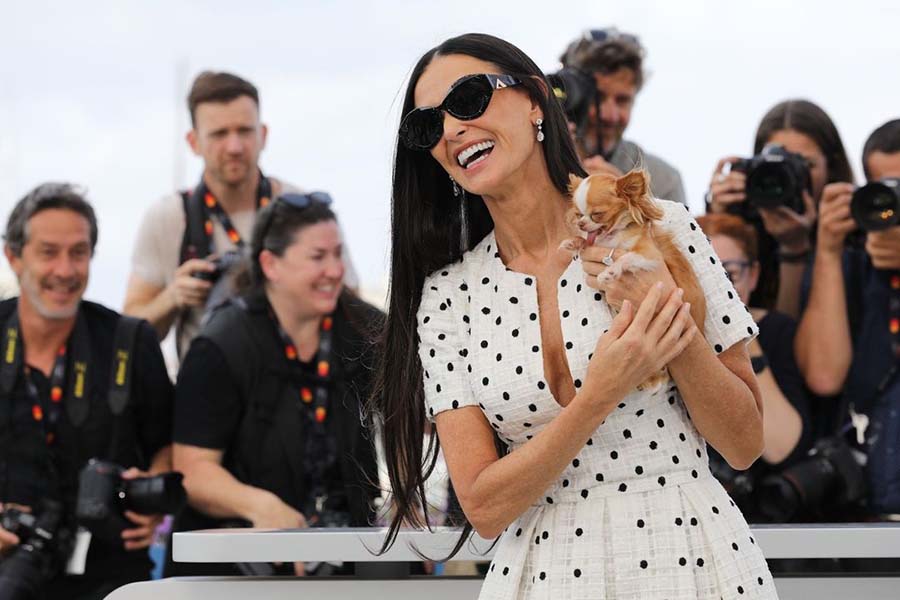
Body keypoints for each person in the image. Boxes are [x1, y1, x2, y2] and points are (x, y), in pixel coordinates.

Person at [373, 33, 774, 598]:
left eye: (467, 99)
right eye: (427, 125)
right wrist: (598, 394)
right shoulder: (447, 297)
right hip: (541, 576)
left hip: (692, 560)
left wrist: (666, 316)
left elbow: (745, 441)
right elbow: (483, 507)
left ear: (536, 99)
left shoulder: (666, 225)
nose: (451, 129)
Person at [167, 193, 381, 577]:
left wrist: (410, 495)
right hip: (240, 569)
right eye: (318, 257)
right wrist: (258, 505)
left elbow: (423, 412)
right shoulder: (220, 344)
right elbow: (193, 472)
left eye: (338, 254)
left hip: (343, 561)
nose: (335, 271)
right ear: (271, 265)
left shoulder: (364, 328)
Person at [0, 184, 173, 599]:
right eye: (48, 252)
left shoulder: (129, 342)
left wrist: (153, 501)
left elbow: (170, 444)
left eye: (78, 252)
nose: (65, 269)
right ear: (13, 256)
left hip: (111, 572)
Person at [123, 70, 359, 361]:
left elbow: (352, 310)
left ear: (263, 135)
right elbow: (130, 333)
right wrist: (173, 297)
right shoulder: (168, 217)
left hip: (291, 386)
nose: (234, 147)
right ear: (193, 142)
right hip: (206, 389)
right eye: (220, 134)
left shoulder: (302, 211)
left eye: (244, 131)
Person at [795, 118, 900, 516]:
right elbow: (824, 374)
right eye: (885, 190)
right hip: (865, 505)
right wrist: (827, 250)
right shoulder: (852, 259)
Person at [696, 213, 813, 521]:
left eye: (727, 274)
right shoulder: (664, 337)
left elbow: (781, 446)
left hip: (766, 513)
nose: (715, 288)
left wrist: (740, 335)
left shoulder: (776, 331)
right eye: (701, 273)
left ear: (754, 275)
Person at [705, 99, 855, 318]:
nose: (786, 176)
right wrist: (719, 222)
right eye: (774, 165)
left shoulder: (851, 232)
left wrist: (798, 247)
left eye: (804, 164)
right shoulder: (743, 216)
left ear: (831, 168)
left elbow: (789, 339)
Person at [560, 28, 686, 204]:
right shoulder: (534, 161)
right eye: (597, 98)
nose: (609, 115)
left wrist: (630, 203)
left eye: (622, 101)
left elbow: (683, 231)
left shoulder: (664, 180)